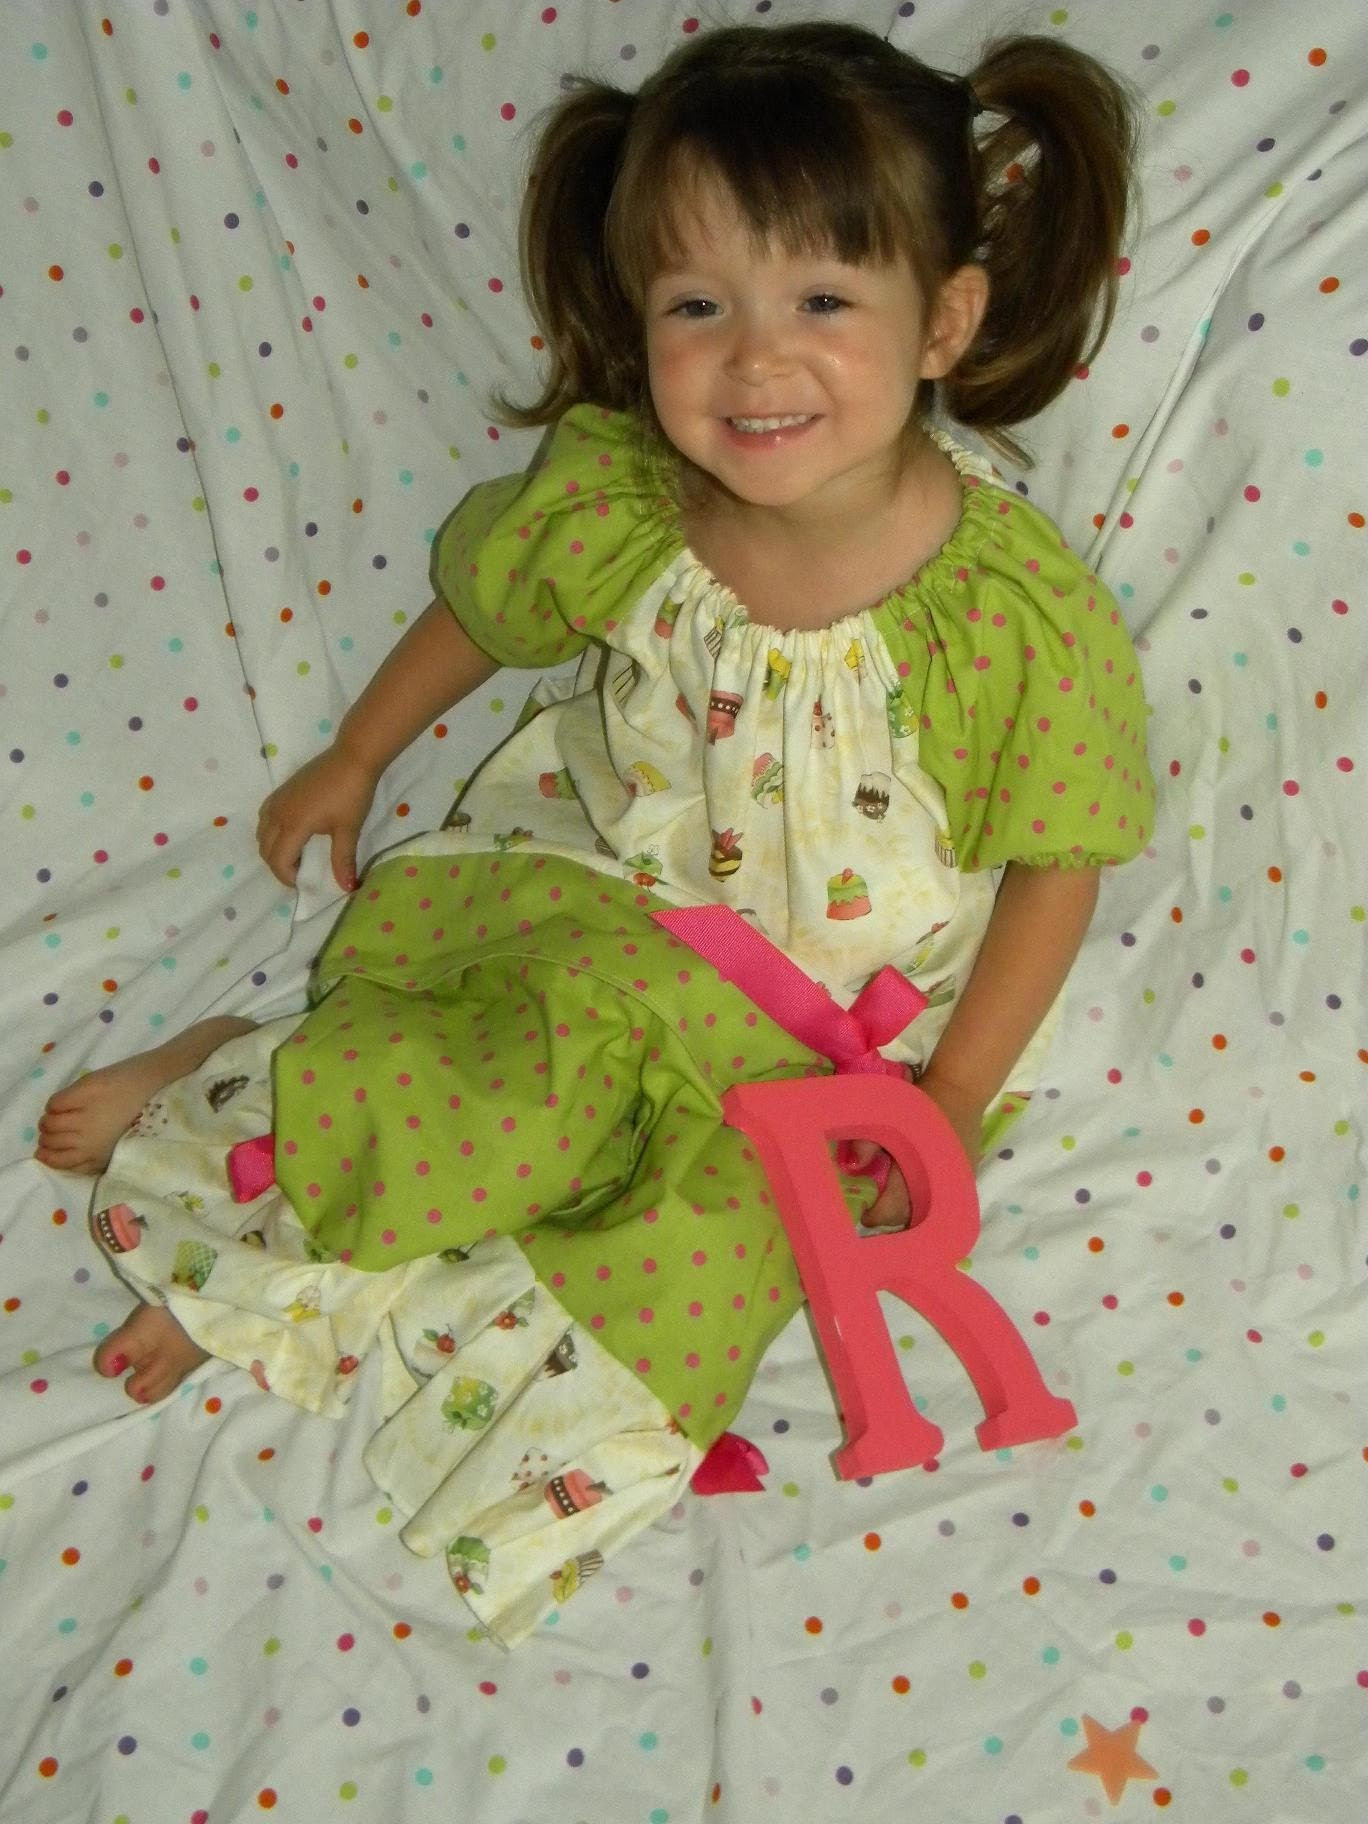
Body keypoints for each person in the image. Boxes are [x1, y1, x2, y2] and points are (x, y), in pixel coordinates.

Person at [35, 22, 1153, 1644]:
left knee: (697, 1256)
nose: (755, 363)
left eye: (822, 303)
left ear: (945, 322)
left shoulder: (1010, 610)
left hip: (813, 1032)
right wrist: (357, 752)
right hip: (604, 913)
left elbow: (1061, 858)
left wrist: (955, 1098)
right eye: (699, 307)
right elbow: (484, 615)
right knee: (488, 1092)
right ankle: (250, 1163)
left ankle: (456, 1345)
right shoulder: (626, 504)